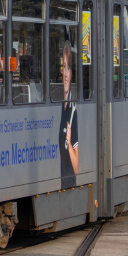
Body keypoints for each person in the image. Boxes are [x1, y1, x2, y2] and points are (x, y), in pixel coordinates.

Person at [57, 40, 79, 188]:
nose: (65, 73)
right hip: (62, 183)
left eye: (68, 68)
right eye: (64, 66)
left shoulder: (73, 112)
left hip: (70, 184)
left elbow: (76, 168)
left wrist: (70, 144)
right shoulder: (60, 106)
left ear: (71, 74)